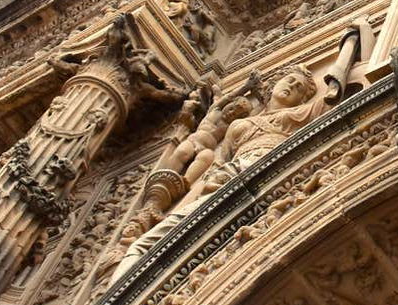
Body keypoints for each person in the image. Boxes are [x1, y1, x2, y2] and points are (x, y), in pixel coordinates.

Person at [111, 66, 323, 281]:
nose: (291, 86)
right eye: (289, 80)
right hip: (223, 181)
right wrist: (184, 207)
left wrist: (351, 42)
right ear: (273, 83)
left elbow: (333, 92)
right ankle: (117, 293)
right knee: (146, 244)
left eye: (299, 88)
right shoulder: (239, 124)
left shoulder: (299, 114)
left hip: (266, 175)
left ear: (303, 99)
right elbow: (216, 168)